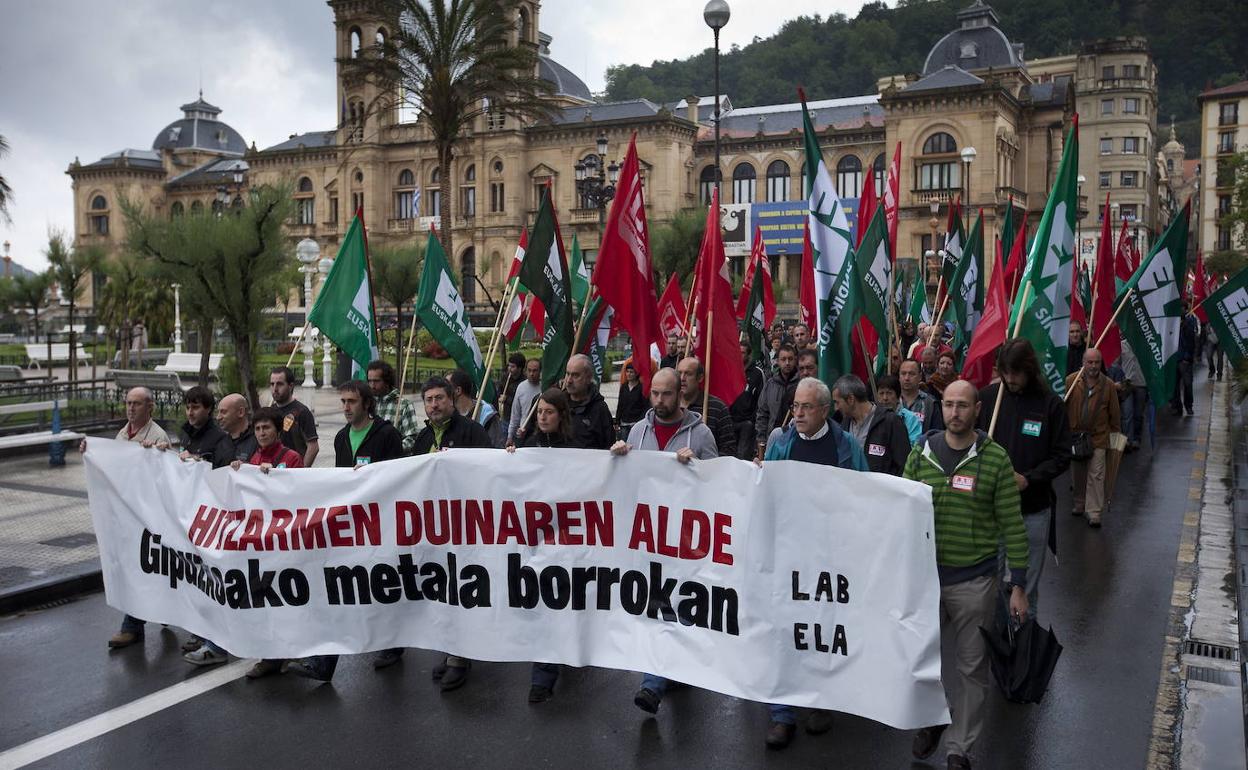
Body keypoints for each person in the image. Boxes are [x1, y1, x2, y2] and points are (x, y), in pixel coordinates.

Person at [905, 380, 1029, 770]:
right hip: (925, 581)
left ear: (977, 409)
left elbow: (1012, 524)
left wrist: (1018, 585)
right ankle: (936, 717)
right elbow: (898, 510)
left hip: (974, 582)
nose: (954, 412)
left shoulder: (995, 460)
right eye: (948, 404)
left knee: (972, 668)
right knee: (917, 660)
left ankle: (960, 747)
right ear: (940, 409)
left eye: (962, 405)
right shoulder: (920, 452)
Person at [759, 377, 868, 747]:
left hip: (830, 556)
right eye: (795, 407)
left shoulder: (846, 446)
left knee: (823, 631)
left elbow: (863, 494)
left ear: (825, 410)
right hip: (789, 552)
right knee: (783, 632)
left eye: (807, 407)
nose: (799, 413)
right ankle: (782, 713)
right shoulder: (780, 442)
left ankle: (822, 700)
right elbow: (766, 492)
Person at [612, 368, 717, 717]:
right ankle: (659, 676)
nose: (658, 401)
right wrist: (617, 459)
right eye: (654, 394)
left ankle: (654, 681)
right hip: (648, 538)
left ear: (680, 394)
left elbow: (722, 484)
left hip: (685, 540)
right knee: (656, 606)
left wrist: (699, 467)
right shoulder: (639, 432)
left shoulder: (700, 434)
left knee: (677, 605)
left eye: (666, 394)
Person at [287, 381, 403, 682]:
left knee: (382, 587)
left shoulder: (387, 434)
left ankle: (394, 642)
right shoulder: (341, 437)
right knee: (339, 588)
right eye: (343, 401)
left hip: (380, 524)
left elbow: (400, 479)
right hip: (350, 526)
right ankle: (324, 664)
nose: (346, 407)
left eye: (352, 401)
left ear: (367, 403)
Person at [976, 339, 1071, 623]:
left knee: (1024, 588)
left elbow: (1062, 455)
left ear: (1029, 370)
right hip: (990, 511)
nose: (1010, 379)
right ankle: (995, 641)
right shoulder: (989, 399)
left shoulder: (1050, 404)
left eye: (1016, 373)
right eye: (1005, 372)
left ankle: (1022, 646)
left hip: (1032, 510)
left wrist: (1029, 479)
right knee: (989, 581)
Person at [410, 376, 495, 688]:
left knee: (462, 591)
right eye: (428, 400)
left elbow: (488, 471)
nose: (434, 405)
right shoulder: (422, 438)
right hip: (434, 530)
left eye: (439, 399)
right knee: (442, 592)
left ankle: (460, 657)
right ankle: (449, 652)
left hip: (464, 528)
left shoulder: (472, 432)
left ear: (451, 400)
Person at [505, 388, 581, 702]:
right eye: (539, 412)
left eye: (549, 411)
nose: (543, 417)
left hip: (565, 541)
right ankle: (544, 669)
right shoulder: (527, 446)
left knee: (558, 602)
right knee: (541, 603)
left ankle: (546, 672)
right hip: (534, 540)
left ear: (561, 415)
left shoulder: (576, 450)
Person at [228, 406, 305, 679]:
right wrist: (240, 472)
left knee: (286, 599)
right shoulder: (252, 458)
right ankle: (271, 655)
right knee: (265, 598)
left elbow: (301, 494)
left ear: (277, 430)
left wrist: (277, 477)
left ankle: (290, 651)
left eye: (266, 428)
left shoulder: (292, 458)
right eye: (258, 429)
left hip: (285, 542)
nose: (261, 433)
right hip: (261, 543)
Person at [97, 387, 172, 650]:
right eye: (128, 403)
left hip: (147, 516)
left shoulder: (156, 436)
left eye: (137, 404)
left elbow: (165, 475)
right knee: (144, 570)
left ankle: (132, 626)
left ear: (149, 407)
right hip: (126, 514)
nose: (131, 408)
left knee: (142, 569)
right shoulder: (122, 434)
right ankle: (165, 608)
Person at [1065, 348, 1120, 528]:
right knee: (1078, 473)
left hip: (1099, 438)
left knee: (1096, 475)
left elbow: (1115, 414)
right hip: (1076, 438)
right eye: (1090, 362)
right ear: (1083, 362)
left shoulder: (1109, 385)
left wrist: (1115, 440)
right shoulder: (1071, 382)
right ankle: (1079, 503)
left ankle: (1094, 511)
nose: (1093, 366)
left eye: (1097, 362)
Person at [832, 374, 912, 476]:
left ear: (850, 399)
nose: (836, 408)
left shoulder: (890, 421)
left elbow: (904, 465)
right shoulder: (843, 425)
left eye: (837, 402)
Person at [677, 356, 737, 457]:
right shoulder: (670, 405)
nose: (682, 378)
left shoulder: (718, 408)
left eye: (688, 374)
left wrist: (704, 460)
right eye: (679, 373)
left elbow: (729, 450)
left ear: (700, 378)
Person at [754, 344, 800, 457]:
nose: (787, 363)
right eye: (783, 359)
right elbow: (762, 414)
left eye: (790, 359)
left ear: (795, 360)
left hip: (796, 440)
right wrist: (762, 442)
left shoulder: (802, 384)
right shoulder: (770, 384)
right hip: (774, 438)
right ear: (778, 361)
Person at [268, 366, 319, 466]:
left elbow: (313, 446)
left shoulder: (302, 412)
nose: (275, 389)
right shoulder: (270, 411)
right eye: (272, 384)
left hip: (293, 470)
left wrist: (301, 470)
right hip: (272, 470)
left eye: (279, 384)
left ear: (290, 386)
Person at [367, 359, 420, 455]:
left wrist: (393, 448)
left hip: (393, 463)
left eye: (376, 381)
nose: (372, 385)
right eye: (369, 381)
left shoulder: (403, 405)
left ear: (387, 381)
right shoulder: (367, 403)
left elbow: (412, 439)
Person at [564, 354, 615, 450]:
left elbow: (609, 446)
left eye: (575, 375)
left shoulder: (600, 409)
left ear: (588, 377)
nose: (569, 380)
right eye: (567, 374)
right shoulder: (559, 404)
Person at [730, 339, 768, 459]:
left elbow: (761, 400)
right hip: (731, 420)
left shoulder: (757, 373)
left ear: (749, 354)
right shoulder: (731, 370)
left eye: (742, 353)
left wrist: (753, 421)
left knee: (742, 457)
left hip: (747, 423)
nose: (739, 356)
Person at [448, 369, 505, 448]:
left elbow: (497, 446)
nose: (443, 390)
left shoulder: (486, 414)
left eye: (446, 386)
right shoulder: (448, 414)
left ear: (458, 390)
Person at [875, 374, 923, 444]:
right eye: (881, 393)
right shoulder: (872, 418)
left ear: (898, 396)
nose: (885, 398)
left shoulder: (911, 419)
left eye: (889, 393)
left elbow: (915, 447)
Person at [1117, 342, 1147, 452]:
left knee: (1138, 413)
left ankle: (1136, 438)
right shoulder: (1122, 345)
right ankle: (1127, 440)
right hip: (1126, 383)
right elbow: (1117, 363)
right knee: (1127, 413)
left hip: (1141, 383)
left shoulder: (1145, 344)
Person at [899, 358, 942, 433]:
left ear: (920, 376)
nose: (906, 378)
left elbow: (936, 433)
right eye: (903, 373)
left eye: (911, 374)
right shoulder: (891, 401)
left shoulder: (930, 403)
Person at [508, 358, 543, 445]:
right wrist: (510, 436)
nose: (532, 374)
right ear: (525, 371)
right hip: (523, 433)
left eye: (535, 371)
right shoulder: (521, 387)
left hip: (540, 433)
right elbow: (515, 414)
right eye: (529, 370)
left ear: (540, 371)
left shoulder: (544, 387)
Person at [1171, 309, 1198, 416]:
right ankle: (1178, 407)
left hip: (1184, 361)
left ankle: (1188, 406)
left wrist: (1187, 358)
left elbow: (1191, 344)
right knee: (1175, 386)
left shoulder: (1188, 327)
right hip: (1175, 360)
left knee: (1187, 384)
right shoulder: (1172, 327)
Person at [615, 361, 647, 441]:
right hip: (624, 422)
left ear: (636, 373)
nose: (628, 374)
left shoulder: (641, 388)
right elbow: (620, 404)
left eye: (631, 372)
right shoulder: (624, 387)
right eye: (627, 372)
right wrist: (617, 421)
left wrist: (640, 421)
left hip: (635, 422)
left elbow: (645, 406)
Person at [496, 352, 526, 423]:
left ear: (520, 368)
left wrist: (507, 399)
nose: (509, 369)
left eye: (513, 367)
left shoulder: (524, 382)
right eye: (509, 366)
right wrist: (499, 396)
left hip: (517, 418)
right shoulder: (505, 377)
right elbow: (499, 391)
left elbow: (521, 401)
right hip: (505, 416)